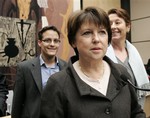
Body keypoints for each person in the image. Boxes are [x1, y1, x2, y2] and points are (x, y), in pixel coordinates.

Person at [40, 7, 146, 118]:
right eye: (87, 33)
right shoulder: (58, 83)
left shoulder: (120, 73)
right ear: (73, 41)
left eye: (102, 32)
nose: (96, 39)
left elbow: (136, 112)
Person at [11, 25, 68, 118]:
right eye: (47, 40)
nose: (52, 44)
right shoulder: (25, 68)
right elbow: (17, 103)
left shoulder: (66, 67)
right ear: (39, 43)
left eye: (56, 41)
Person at [106, 8, 150, 109]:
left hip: (135, 107)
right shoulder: (102, 53)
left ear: (128, 26)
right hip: (112, 108)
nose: (113, 27)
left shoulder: (134, 52)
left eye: (117, 22)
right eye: (109, 24)